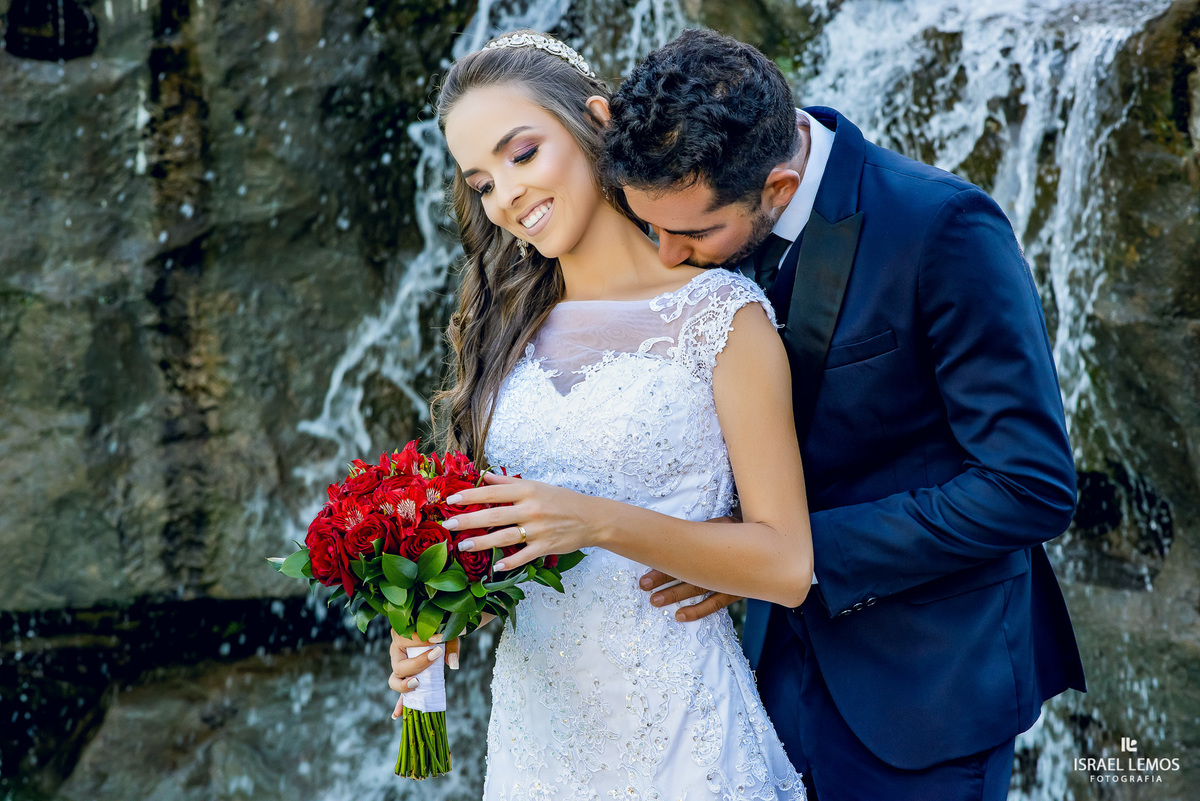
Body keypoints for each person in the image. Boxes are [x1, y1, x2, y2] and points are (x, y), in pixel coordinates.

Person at [600, 28, 1087, 801]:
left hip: (926, 691)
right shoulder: (691, 202)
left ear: (780, 187)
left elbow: (1028, 486)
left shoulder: (945, 229)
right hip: (761, 681)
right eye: (651, 227)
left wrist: (778, 554)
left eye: (691, 233)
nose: (664, 255)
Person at [388, 31, 813, 798]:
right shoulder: (501, 330)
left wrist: (595, 521)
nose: (506, 195)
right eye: (482, 183)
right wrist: (437, 609)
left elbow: (787, 567)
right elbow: (508, 548)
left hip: (680, 736)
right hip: (538, 741)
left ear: (592, 123)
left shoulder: (722, 315)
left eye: (523, 154)